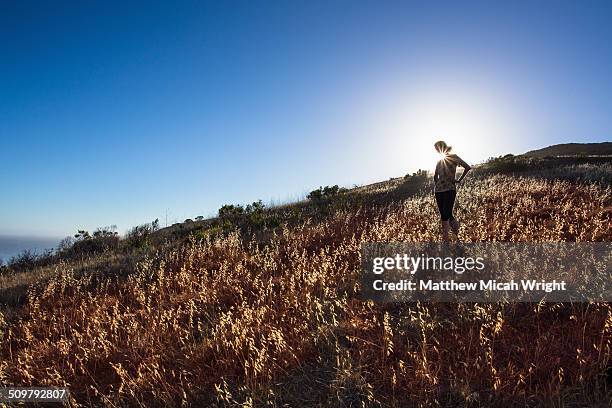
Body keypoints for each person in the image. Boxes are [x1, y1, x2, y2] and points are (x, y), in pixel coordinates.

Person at [433, 140, 471, 241]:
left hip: (450, 188)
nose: (437, 150)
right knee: (446, 215)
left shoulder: (454, 157)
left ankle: (446, 239)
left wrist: (459, 180)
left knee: (446, 214)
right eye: (436, 149)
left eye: (438, 148)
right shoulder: (439, 161)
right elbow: (435, 175)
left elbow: (467, 167)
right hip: (438, 190)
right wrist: (437, 183)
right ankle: (456, 236)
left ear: (443, 147)